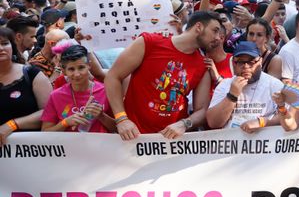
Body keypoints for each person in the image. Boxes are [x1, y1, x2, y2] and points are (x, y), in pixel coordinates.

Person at [103, 11, 222, 140]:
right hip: (133, 138)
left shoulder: (203, 65)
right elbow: (112, 77)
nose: (218, 37)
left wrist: (184, 124)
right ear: (198, 27)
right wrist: (121, 119)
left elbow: (202, 110)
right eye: (215, 31)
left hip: (171, 143)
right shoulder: (149, 42)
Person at [207, 41, 285, 129]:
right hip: (231, 140)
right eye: (240, 62)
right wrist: (231, 96)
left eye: (251, 62)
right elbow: (213, 123)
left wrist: (262, 122)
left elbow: (288, 118)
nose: (246, 66)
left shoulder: (274, 85)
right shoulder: (225, 85)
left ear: (260, 62)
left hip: (262, 140)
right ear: (233, 63)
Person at [41, 44, 112, 133]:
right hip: (69, 146)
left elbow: (120, 127)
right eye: (71, 69)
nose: (77, 74)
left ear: (89, 66)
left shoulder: (106, 91)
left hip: (102, 145)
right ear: (64, 71)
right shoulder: (56, 96)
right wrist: (65, 122)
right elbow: (45, 132)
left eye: (81, 67)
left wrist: (102, 116)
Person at [0, 26, 53, 144]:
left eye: (5, 43)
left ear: (12, 46)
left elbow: (49, 112)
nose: (1, 48)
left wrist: (12, 125)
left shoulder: (32, 74)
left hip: (30, 152)